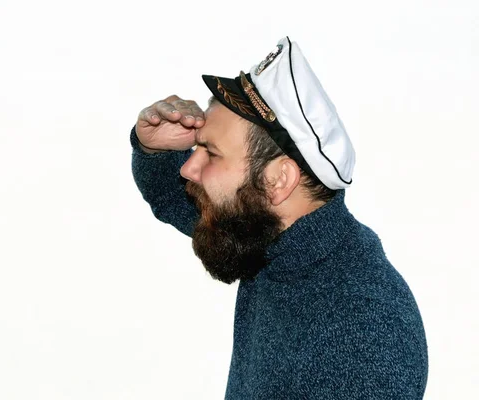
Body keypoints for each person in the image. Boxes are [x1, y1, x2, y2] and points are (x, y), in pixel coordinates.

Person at [129, 36, 428, 399]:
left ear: (278, 180)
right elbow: (174, 198)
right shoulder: (270, 235)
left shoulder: (364, 335)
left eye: (210, 152)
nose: (189, 168)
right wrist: (154, 149)